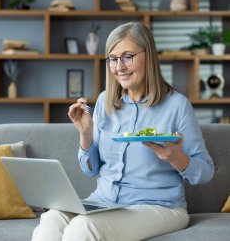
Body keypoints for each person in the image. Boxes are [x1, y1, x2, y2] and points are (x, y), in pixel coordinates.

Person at [31, 21, 215, 241]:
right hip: (104, 201)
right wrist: (85, 134)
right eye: (113, 59)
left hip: (160, 207)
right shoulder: (104, 101)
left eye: (127, 56)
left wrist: (178, 159)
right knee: (52, 218)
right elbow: (92, 170)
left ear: (149, 56)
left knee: (83, 227)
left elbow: (206, 171)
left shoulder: (177, 106)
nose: (119, 67)